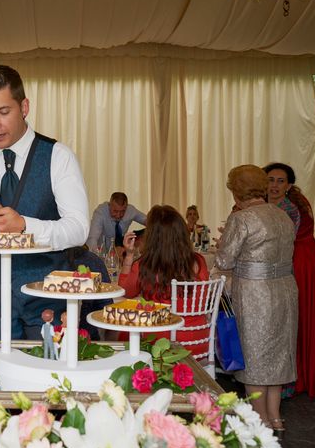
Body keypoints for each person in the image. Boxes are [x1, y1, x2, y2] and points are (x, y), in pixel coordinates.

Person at [0, 64, 89, 339]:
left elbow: (78, 228)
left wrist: (24, 225)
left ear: (24, 107)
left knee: (48, 379)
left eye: (3, 112)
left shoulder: (58, 156)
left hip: (48, 297)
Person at [215, 165, 298, 433]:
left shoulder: (242, 218)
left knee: (254, 353)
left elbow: (224, 259)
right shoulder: (282, 216)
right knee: (276, 354)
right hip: (285, 289)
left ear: (236, 191)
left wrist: (221, 245)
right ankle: (276, 417)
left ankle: (259, 418)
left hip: (254, 290)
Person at [263, 162, 315, 398]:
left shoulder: (290, 207)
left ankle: (293, 379)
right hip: (289, 260)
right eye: (270, 179)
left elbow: (280, 241)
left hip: (300, 263)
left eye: (280, 181)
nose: (275, 185)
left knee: (297, 318)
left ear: (289, 185)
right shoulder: (264, 204)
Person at [118, 205, 210, 354]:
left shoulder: (145, 265)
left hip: (160, 343)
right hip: (197, 340)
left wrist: (129, 256)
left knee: (124, 330)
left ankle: (141, 373)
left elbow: (125, 292)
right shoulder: (199, 261)